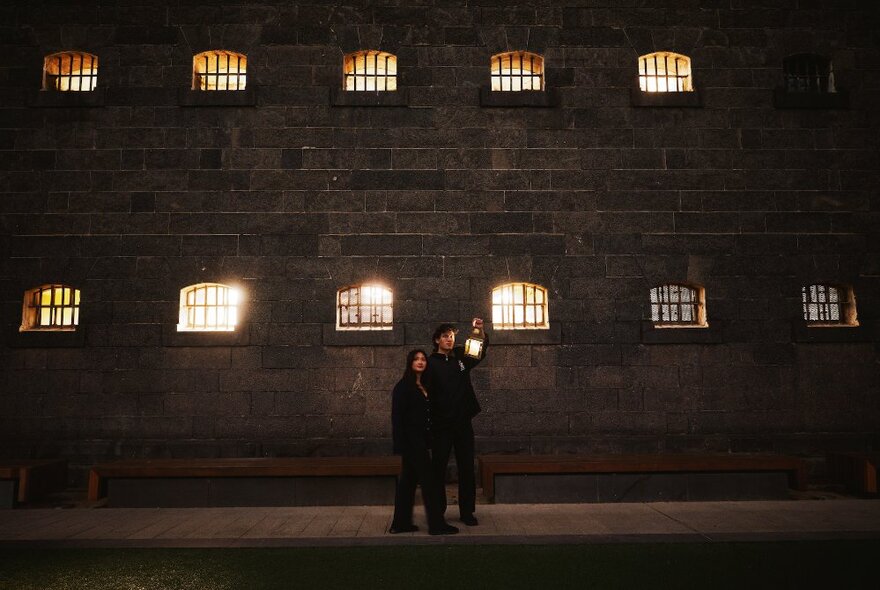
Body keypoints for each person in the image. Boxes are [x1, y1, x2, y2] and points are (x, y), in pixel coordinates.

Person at [390, 349, 459, 535]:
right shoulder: (403, 387)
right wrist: (400, 446)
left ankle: (400, 524)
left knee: (408, 483)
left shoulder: (426, 385)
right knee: (429, 482)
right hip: (412, 443)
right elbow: (397, 419)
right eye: (416, 359)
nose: (420, 362)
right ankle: (437, 525)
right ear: (410, 362)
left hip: (421, 440)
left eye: (423, 359)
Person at [428, 318, 488, 526]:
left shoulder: (461, 356)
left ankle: (467, 512)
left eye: (452, 336)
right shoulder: (429, 364)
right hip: (441, 426)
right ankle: (437, 511)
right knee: (438, 469)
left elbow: (479, 347)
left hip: (463, 424)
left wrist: (478, 330)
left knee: (466, 468)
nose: (449, 339)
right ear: (437, 340)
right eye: (445, 336)